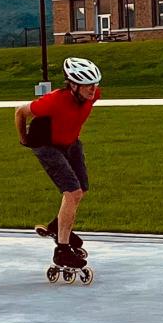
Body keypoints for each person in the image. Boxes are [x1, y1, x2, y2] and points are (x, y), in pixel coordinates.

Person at [15, 57, 101, 271]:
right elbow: (20, 111)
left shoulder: (93, 96)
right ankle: (62, 250)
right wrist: (23, 137)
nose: (93, 90)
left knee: (82, 190)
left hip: (70, 142)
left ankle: (56, 226)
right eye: (88, 85)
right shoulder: (54, 100)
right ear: (73, 85)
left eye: (95, 84)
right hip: (46, 144)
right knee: (71, 192)